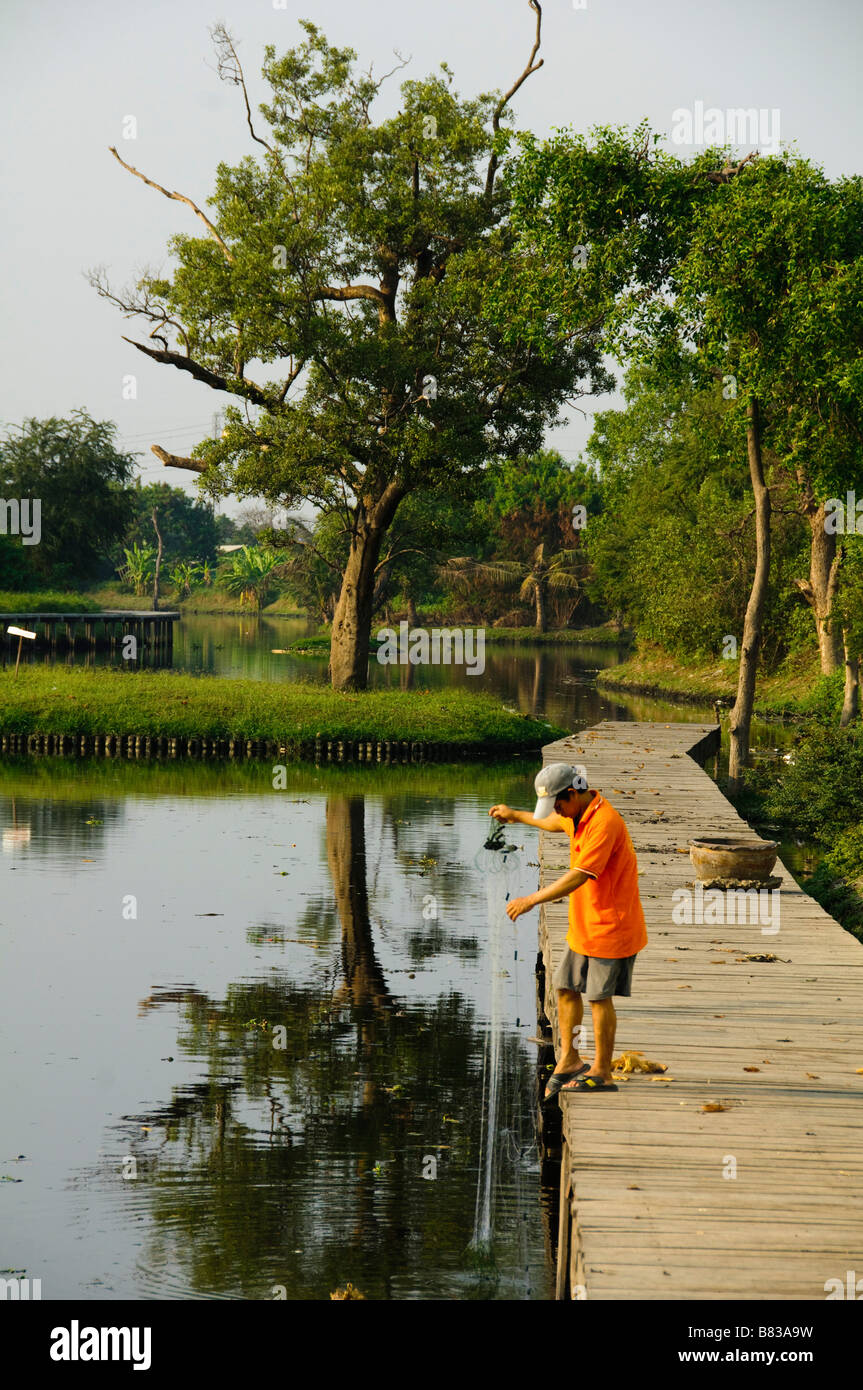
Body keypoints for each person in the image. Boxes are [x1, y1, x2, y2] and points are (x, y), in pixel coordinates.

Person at [489, 762, 647, 1096]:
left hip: (612, 926)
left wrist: (531, 899)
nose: (557, 811)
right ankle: (572, 1059)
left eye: (559, 804)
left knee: (599, 997)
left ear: (573, 794)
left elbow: (579, 875)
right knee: (564, 988)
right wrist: (514, 815)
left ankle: (603, 1072)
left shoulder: (604, 823)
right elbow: (549, 822)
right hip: (585, 924)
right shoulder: (577, 814)